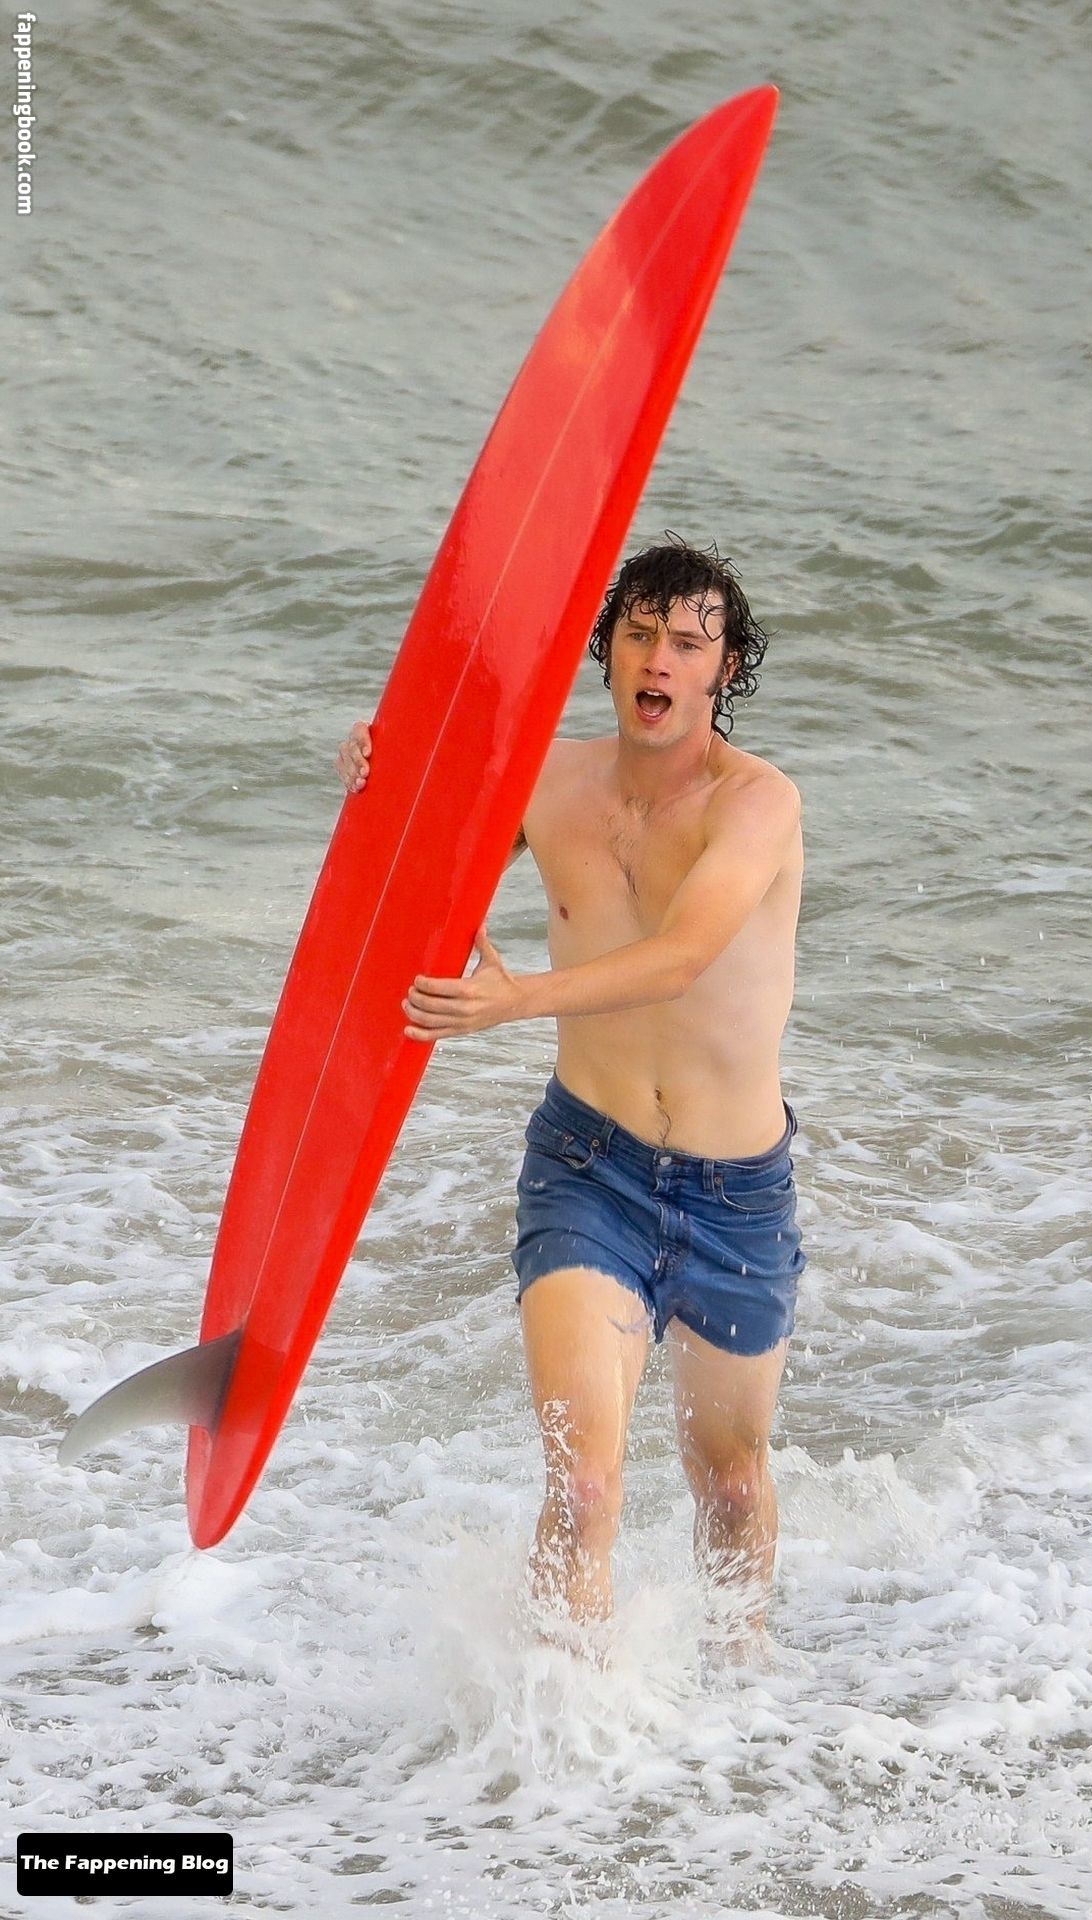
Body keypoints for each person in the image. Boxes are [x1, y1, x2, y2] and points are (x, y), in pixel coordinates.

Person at [336, 539, 804, 1647]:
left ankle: (744, 1698)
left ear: (724, 669)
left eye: (685, 643)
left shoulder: (757, 805)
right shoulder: (544, 783)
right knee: (585, 1485)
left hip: (737, 1194)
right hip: (588, 1169)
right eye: (638, 635)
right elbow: (412, 872)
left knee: (731, 1482)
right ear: (607, 653)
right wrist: (370, 777)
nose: (658, 659)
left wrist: (516, 1000)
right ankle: (558, 1739)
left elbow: (684, 955)